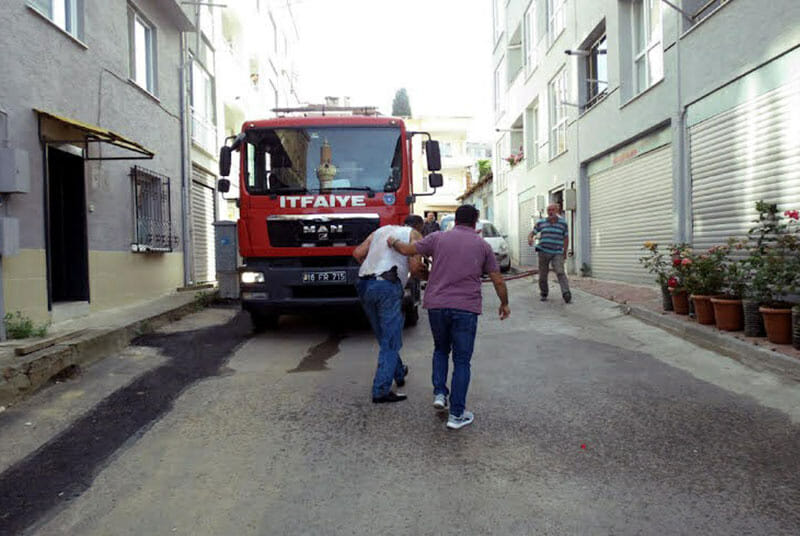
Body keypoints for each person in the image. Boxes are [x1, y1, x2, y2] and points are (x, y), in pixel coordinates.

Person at [389, 204, 510, 430]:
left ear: (455, 220)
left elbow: (407, 250)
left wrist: (393, 242)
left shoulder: (437, 238)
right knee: (462, 361)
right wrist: (504, 303)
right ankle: (456, 415)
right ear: (474, 223)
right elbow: (498, 279)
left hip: (437, 305)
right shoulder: (482, 245)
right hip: (466, 308)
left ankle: (439, 394)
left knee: (441, 350)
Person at [353, 215, 426, 404]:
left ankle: (399, 372)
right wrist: (426, 274)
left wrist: (374, 269)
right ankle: (381, 390)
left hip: (364, 283)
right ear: (419, 226)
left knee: (383, 335)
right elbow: (415, 266)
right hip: (387, 285)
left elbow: (357, 253)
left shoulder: (380, 230)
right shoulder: (415, 234)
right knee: (391, 341)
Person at [528, 203, 571, 303]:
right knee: (543, 274)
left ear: (557, 211)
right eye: (549, 210)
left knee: (560, 272)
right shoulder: (541, 222)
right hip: (543, 251)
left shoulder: (563, 223)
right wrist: (530, 238)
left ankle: (566, 293)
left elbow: (566, 238)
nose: (550, 212)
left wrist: (565, 252)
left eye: (552, 210)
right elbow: (532, 233)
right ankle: (544, 292)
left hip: (557, 252)